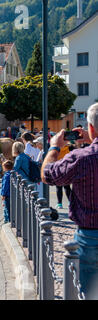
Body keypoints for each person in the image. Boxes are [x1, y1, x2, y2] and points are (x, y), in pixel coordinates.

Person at [42, 103, 98, 299]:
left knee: (88, 293)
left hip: (90, 238)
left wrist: (54, 147)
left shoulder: (82, 158)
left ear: (90, 128)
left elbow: (48, 175)